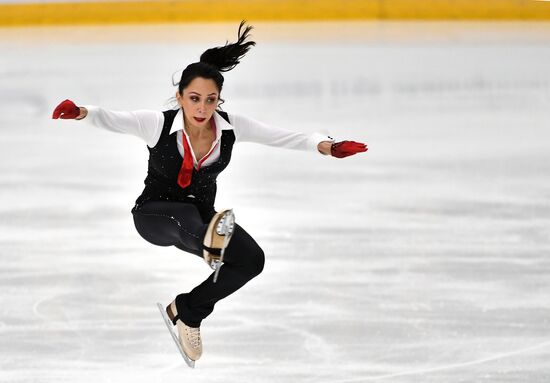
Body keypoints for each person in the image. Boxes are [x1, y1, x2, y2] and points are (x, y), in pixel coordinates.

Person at [52, 21, 367, 364]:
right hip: (154, 215)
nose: (202, 108)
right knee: (188, 219)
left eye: (210, 100)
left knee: (251, 260)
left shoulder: (231, 128)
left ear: (219, 99)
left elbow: (286, 136)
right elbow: (112, 118)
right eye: (194, 99)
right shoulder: (157, 123)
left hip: (203, 217)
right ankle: (210, 242)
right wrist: (81, 112)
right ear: (180, 97)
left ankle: (188, 310)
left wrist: (328, 146)